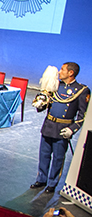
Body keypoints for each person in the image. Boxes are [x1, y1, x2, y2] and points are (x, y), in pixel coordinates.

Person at [30, 62, 89, 193]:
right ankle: (41, 179)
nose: (59, 72)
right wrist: (41, 104)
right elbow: (47, 104)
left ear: (70, 73)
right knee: (44, 155)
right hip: (49, 126)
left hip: (63, 129)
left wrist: (72, 129)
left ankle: (52, 182)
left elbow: (81, 115)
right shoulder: (55, 86)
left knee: (58, 158)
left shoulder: (81, 90)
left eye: (62, 70)